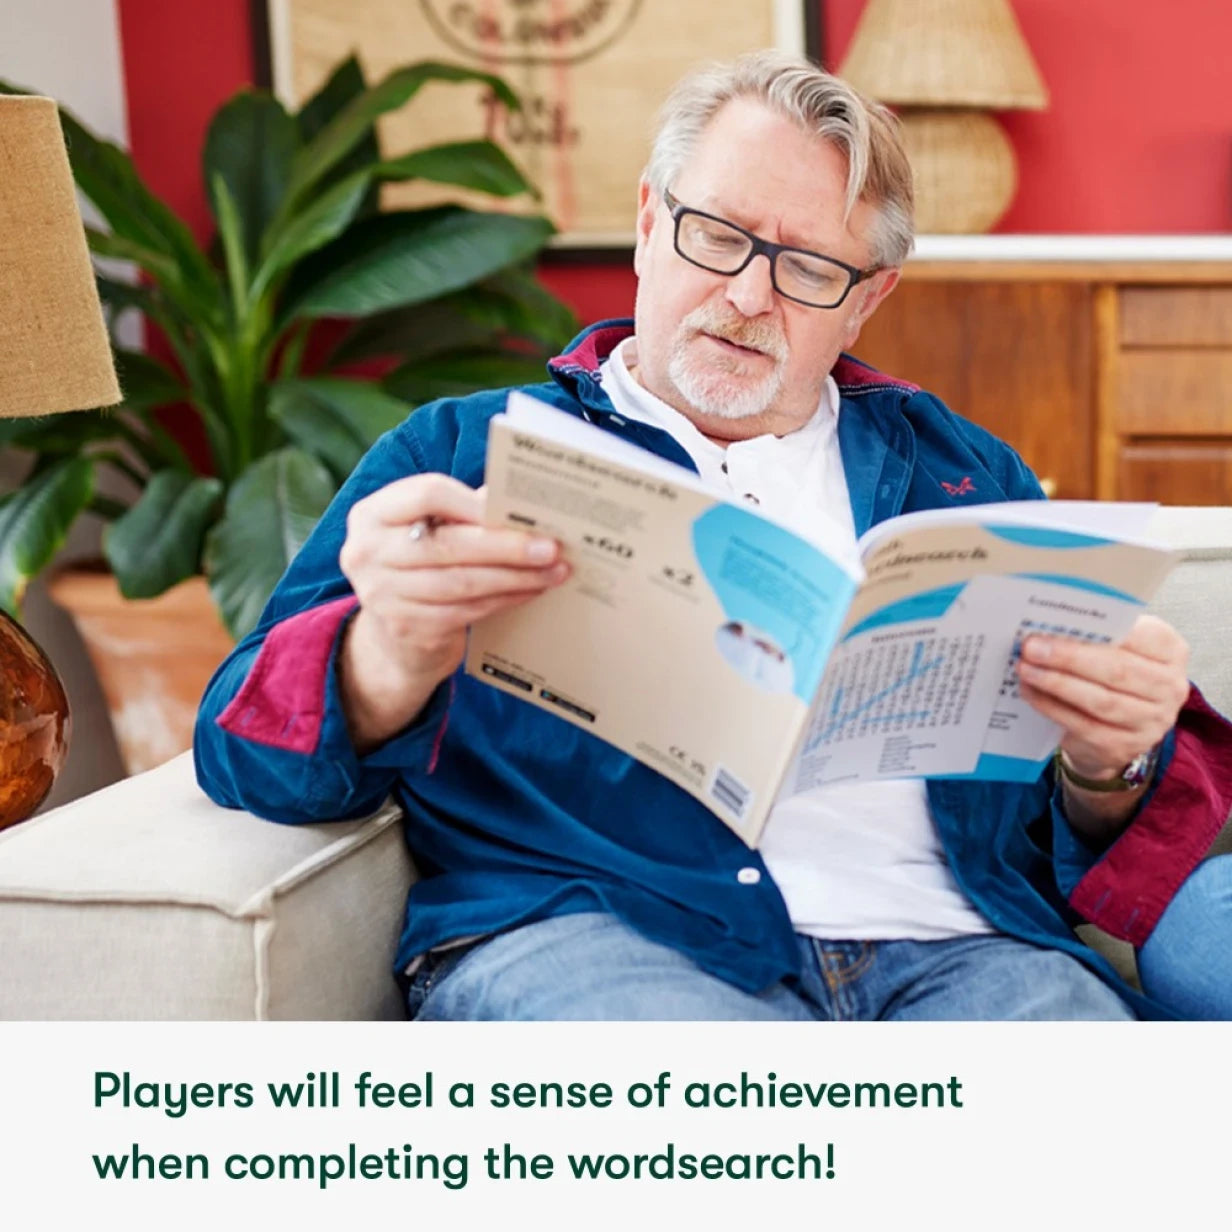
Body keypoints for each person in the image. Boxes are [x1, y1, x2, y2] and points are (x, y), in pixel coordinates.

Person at [194, 52, 1231, 1021]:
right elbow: (241, 751)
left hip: (964, 953)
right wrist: (384, 656)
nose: (747, 296)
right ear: (650, 221)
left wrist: (1111, 761)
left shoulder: (963, 477)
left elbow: (1115, 827)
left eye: (807, 268)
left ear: (866, 300)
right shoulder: (462, 451)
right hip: (602, 931)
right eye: (719, 235)